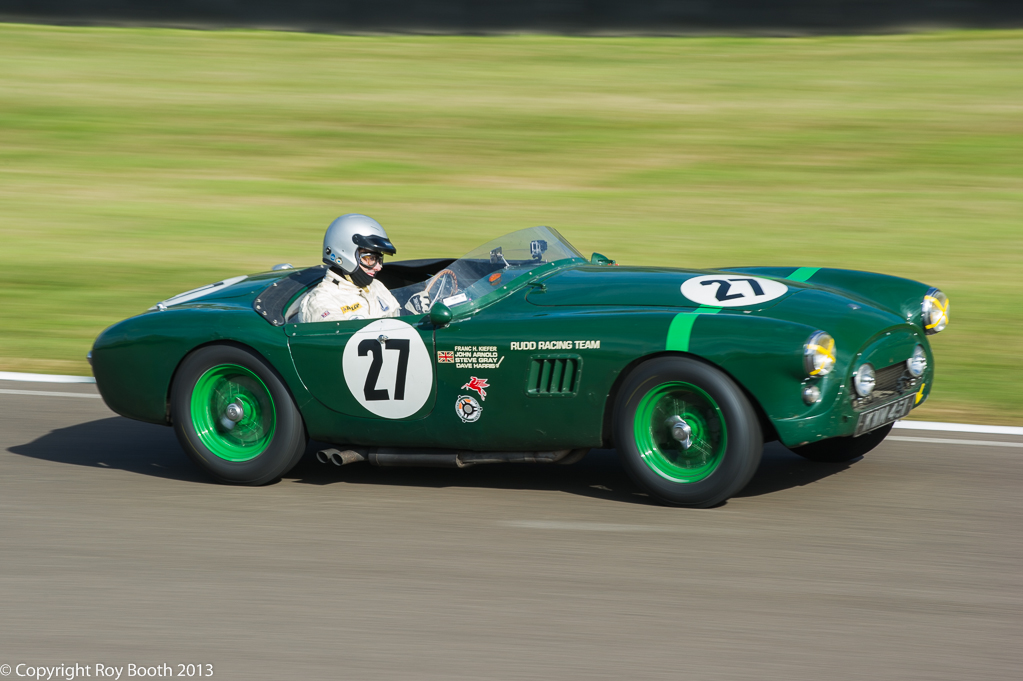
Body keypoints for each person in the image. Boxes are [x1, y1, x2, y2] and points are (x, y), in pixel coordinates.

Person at [298, 214, 400, 323]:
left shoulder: (377, 287)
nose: (378, 267)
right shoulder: (321, 301)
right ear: (344, 254)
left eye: (379, 259)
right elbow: (338, 334)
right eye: (370, 259)